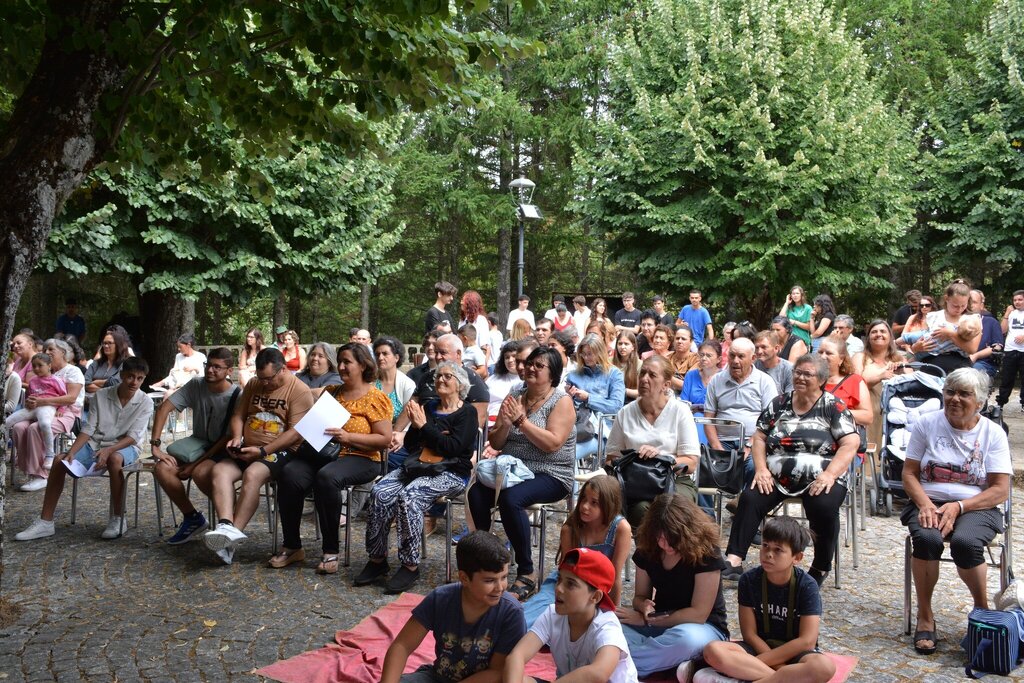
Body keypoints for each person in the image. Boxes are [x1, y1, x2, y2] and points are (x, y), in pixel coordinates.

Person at [722, 354, 859, 587]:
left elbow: (851, 442)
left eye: (807, 374)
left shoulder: (833, 407)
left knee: (823, 506)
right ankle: (734, 559)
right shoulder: (779, 403)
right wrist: (762, 469)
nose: (800, 377)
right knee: (751, 497)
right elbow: (760, 437)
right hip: (776, 476)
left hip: (822, 476)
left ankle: (820, 565)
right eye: (797, 372)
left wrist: (829, 474)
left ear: (822, 379)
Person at [901, 368, 1011, 655]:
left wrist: (960, 506)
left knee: (966, 543)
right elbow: (909, 474)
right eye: (950, 392)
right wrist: (925, 503)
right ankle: (925, 616)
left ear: (980, 401)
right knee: (926, 539)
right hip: (929, 501)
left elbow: (1000, 489)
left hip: (977, 505)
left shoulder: (993, 433)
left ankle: (981, 611)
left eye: (964, 394)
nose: (955, 399)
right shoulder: (926, 424)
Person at [264, 343, 390, 574]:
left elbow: (384, 440)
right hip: (323, 453)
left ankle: (330, 550)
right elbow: (306, 428)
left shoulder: (375, 397)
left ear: (362, 365)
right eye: (339, 362)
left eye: (347, 362)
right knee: (289, 473)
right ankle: (292, 545)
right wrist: (267, 450)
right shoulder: (331, 393)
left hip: (362, 457)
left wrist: (348, 436)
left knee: (327, 477)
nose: (341, 366)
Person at [356, 361, 476, 593]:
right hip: (418, 466)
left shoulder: (467, 413)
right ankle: (377, 559)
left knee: (410, 496)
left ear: (460, 384)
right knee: (380, 493)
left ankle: (410, 565)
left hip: (451, 472)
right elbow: (411, 444)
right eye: (438, 376)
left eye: (447, 376)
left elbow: (454, 448)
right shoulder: (429, 407)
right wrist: (423, 428)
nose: (441, 380)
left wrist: (426, 428)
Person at [467, 346, 576, 602]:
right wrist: (504, 425)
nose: (531, 369)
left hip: (551, 472)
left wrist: (521, 423)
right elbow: (495, 441)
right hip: (513, 468)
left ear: (553, 374)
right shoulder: (516, 393)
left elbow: (552, 444)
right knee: (477, 492)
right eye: (529, 364)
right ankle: (486, 558)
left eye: (539, 366)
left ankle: (527, 571)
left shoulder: (561, 401)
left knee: (510, 498)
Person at [15, 357, 153, 541]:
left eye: (139, 378)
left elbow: (133, 437)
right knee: (59, 460)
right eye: (130, 377)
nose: (134, 382)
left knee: (115, 460)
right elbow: (89, 429)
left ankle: (118, 518)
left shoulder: (146, 402)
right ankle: (45, 521)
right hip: (95, 444)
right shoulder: (101, 396)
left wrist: (109, 450)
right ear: (121, 375)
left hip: (126, 446)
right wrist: (72, 451)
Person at [202, 347, 314, 565]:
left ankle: (231, 537)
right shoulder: (255, 383)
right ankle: (225, 525)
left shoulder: (299, 390)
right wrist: (236, 437)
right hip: (248, 447)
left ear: (282, 370)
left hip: (279, 451)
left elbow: (296, 433)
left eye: (268, 379)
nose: (263, 383)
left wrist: (263, 451)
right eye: (259, 377)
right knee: (220, 471)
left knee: (252, 474)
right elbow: (238, 415)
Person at [696, 517, 835, 683]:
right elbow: (749, 634)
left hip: (795, 654)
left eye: (778, 550)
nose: (768, 554)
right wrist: (781, 670)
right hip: (758, 649)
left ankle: (740, 676)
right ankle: (781, 679)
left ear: (797, 558)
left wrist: (761, 663)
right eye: (765, 546)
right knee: (713, 650)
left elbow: (807, 641)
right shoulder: (749, 579)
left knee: (824, 667)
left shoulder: (806, 585)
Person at [381, 530, 526, 683]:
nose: (500, 587)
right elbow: (402, 646)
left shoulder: (512, 613)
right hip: (437, 677)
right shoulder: (440, 598)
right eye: (489, 581)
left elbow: (497, 672)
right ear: (464, 578)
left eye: (504, 577)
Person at [615, 493, 729, 678]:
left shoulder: (706, 551)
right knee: (607, 624)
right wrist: (643, 606)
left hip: (702, 627)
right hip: (659, 621)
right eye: (661, 538)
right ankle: (667, 663)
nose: (666, 545)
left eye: (673, 539)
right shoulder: (649, 548)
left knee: (685, 640)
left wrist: (646, 620)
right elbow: (640, 596)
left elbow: (699, 614)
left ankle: (617, 664)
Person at [506, 548, 639, 683]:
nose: (558, 588)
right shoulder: (552, 614)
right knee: (509, 677)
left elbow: (598, 674)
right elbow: (517, 655)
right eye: (559, 579)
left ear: (595, 596)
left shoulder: (607, 626)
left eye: (570, 584)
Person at [149, 347, 238, 544]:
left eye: (217, 367)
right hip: (197, 445)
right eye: (208, 365)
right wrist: (155, 445)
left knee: (200, 473)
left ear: (229, 371)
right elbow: (164, 409)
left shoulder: (236, 396)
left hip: (221, 451)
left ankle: (229, 522)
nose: (210, 370)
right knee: (163, 468)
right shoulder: (197, 384)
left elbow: (225, 439)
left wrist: (193, 465)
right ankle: (193, 518)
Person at [521, 475, 632, 628]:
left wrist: (610, 614)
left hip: (598, 590)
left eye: (594, 503)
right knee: (536, 616)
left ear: (608, 506)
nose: (585, 506)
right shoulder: (570, 529)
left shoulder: (621, 529)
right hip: (566, 581)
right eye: (583, 499)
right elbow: (567, 573)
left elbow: (614, 577)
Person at [606, 356, 700, 525]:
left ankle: (668, 550)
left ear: (666, 385)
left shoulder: (680, 411)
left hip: (675, 480)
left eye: (652, 375)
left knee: (668, 509)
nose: (644, 379)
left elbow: (691, 462)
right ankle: (649, 551)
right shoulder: (626, 413)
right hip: (636, 483)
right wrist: (635, 458)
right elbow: (610, 460)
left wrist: (660, 460)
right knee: (641, 510)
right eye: (642, 373)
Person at [10, 339, 85, 490]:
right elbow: (33, 394)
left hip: (65, 413)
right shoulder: (44, 371)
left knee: (35, 428)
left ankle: (40, 475)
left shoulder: (73, 371)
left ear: (63, 353)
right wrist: (31, 402)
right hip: (39, 410)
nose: (46, 352)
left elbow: (71, 398)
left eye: (51, 349)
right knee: (18, 427)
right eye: (44, 350)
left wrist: (42, 402)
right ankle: (26, 466)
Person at [704, 338, 778, 485]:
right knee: (704, 466)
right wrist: (718, 449)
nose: (735, 361)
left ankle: (742, 503)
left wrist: (749, 446)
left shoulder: (765, 381)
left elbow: (770, 421)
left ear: (753, 358)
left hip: (755, 441)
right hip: (722, 441)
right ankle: (705, 509)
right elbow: (708, 419)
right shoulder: (716, 381)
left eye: (741, 356)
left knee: (753, 467)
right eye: (732, 355)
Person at [566, 333, 625, 463]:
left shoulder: (614, 374)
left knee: (567, 455)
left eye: (590, 353)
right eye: (583, 354)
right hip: (575, 427)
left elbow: (616, 406)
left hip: (600, 432)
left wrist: (588, 398)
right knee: (558, 451)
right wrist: (569, 398)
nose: (586, 357)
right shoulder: (573, 375)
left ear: (600, 352)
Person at [853, 320, 908, 451]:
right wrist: (880, 375)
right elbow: (855, 383)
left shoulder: (900, 359)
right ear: (868, 337)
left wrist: (902, 372)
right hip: (870, 409)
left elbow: (911, 383)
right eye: (874, 332)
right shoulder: (860, 357)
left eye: (883, 331)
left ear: (890, 336)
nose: (879, 334)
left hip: (894, 412)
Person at [5, 352, 67, 467]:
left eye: (40, 365)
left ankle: (50, 454)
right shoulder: (33, 381)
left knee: (44, 423)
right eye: (34, 366)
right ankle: (4, 447)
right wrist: (28, 402)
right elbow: (30, 395)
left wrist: (61, 409)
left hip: (48, 406)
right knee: (8, 421)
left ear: (49, 365)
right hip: (33, 407)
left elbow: (64, 396)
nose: (37, 368)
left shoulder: (56, 380)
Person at [908, 279, 981, 376]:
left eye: (963, 305)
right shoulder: (933, 317)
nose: (959, 309)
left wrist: (950, 334)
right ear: (947, 299)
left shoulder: (973, 320)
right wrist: (916, 347)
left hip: (959, 367)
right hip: (931, 364)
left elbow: (972, 349)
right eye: (955, 306)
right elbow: (921, 337)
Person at [818, 338, 873, 428]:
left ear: (841, 359)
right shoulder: (810, 380)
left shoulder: (854, 381)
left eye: (829, 353)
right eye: (820, 352)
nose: (823, 356)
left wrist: (835, 411)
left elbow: (867, 417)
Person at [681, 341, 722, 445]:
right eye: (702, 355)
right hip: (692, 419)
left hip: (717, 420)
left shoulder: (723, 377)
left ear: (719, 359)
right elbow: (684, 402)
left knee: (702, 419)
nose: (704, 358)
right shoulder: (691, 375)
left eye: (709, 355)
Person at [373, 336, 415, 424]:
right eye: (377, 354)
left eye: (385, 354)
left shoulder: (407, 384)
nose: (380, 358)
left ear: (396, 357)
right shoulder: (370, 382)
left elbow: (410, 417)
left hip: (399, 434)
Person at [997, 289, 1024, 413]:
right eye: (1015, 300)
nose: (1017, 302)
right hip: (1010, 349)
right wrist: (1007, 314)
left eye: (1020, 299)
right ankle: (1001, 402)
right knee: (1007, 378)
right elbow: (1002, 330)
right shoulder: (1011, 313)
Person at [968, 289, 1005, 378]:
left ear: (981, 306)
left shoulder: (991, 322)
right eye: (968, 302)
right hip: (959, 360)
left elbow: (997, 346)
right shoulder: (956, 322)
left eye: (974, 302)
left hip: (983, 362)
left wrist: (976, 355)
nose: (970, 305)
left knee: (972, 373)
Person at [83, 329, 130, 398]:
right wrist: (106, 390)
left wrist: (95, 382)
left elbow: (116, 382)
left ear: (118, 345)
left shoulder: (126, 363)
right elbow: (85, 382)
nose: (106, 346)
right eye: (104, 343)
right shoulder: (96, 363)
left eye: (109, 343)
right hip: (93, 401)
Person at [486, 340, 523, 420]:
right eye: (507, 357)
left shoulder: (526, 381)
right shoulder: (493, 378)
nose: (510, 360)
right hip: (489, 422)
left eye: (514, 356)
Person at [754, 331, 793, 396]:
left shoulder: (789, 368)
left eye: (764, 347)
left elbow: (789, 397)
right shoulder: (753, 366)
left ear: (776, 348)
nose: (759, 351)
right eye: (757, 348)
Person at [460, 290, 491, 365]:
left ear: (470, 303)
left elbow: (485, 348)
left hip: (477, 363)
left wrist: (483, 366)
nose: (461, 302)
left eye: (463, 300)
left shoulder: (481, 320)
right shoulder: (462, 321)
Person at [613, 331, 642, 402]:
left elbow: (640, 392)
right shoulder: (609, 362)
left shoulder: (639, 364)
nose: (622, 347)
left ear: (633, 347)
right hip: (612, 399)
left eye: (626, 344)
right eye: (620, 344)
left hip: (631, 401)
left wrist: (623, 390)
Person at [668, 326, 699, 392]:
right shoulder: (667, 359)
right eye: (677, 338)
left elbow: (687, 385)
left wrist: (665, 377)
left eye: (683, 339)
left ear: (691, 342)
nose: (679, 341)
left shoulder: (696, 360)